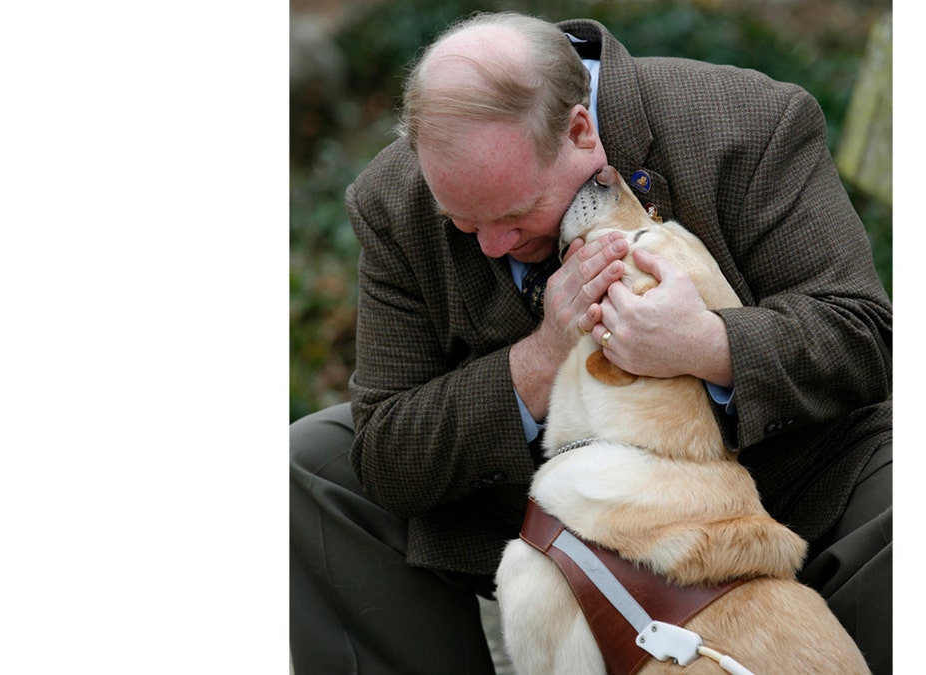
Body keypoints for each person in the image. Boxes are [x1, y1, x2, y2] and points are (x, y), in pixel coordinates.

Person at [290, 11, 892, 675]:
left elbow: (862, 331)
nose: (490, 245)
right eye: (462, 222)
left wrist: (705, 342)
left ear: (580, 130)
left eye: (515, 215)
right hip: (533, 510)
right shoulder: (393, 197)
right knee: (314, 465)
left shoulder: (746, 122)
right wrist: (540, 357)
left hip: (782, 488)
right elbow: (385, 448)